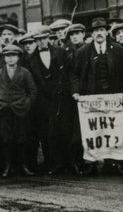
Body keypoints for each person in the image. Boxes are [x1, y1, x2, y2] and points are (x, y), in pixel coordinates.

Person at [72, 17, 123, 175]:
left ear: (107, 31)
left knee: (112, 128)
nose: (99, 34)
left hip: (113, 97)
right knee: (93, 130)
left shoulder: (117, 50)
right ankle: (92, 162)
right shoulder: (83, 52)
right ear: (92, 34)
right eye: (96, 31)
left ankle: (113, 163)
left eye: (102, 30)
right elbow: (74, 74)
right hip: (91, 97)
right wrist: (75, 91)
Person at [26, 27, 76, 175]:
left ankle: (69, 163)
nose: (41, 42)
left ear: (48, 38)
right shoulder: (30, 59)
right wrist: (40, 100)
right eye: (38, 39)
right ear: (35, 41)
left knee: (64, 131)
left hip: (61, 99)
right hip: (43, 102)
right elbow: (32, 83)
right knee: (47, 133)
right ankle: (52, 163)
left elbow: (69, 73)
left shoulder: (60, 52)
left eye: (43, 38)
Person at [0, 44, 37, 177]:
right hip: (4, 111)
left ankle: (23, 165)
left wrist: (26, 105)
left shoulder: (24, 72)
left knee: (21, 138)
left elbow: (32, 91)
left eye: (13, 56)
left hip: (20, 110)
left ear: (18, 58)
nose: (10, 59)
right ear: (4, 58)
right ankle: (8, 166)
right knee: (6, 139)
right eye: (7, 56)